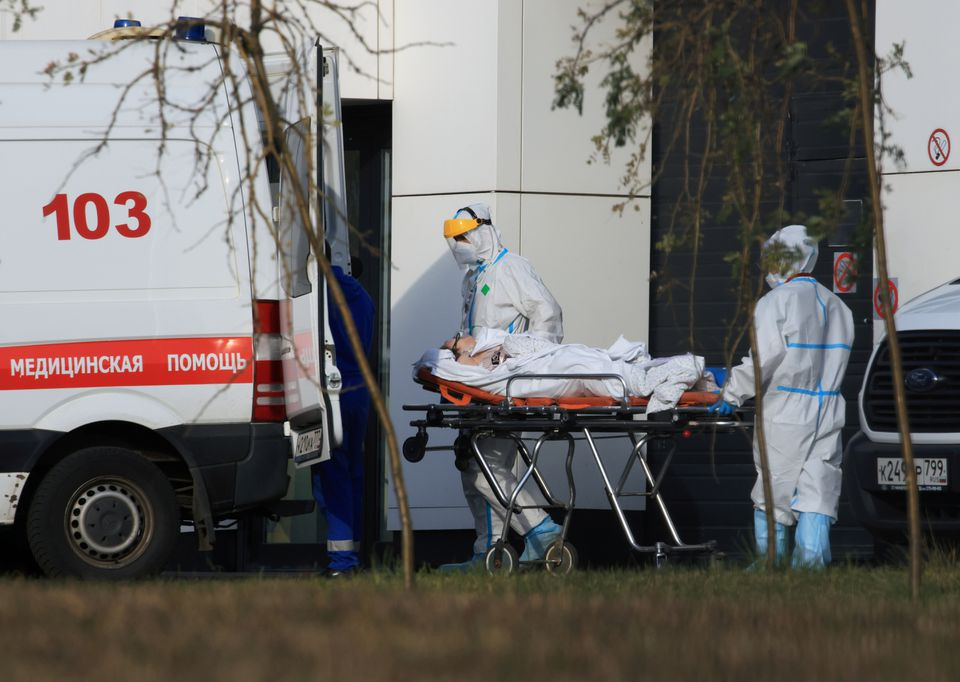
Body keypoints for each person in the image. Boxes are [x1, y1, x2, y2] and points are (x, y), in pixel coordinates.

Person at [709, 224, 854, 568]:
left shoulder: (775, 302)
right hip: (828, 408)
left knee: (774, 488)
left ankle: (768, 563)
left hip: (785, 409)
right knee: (818, 485)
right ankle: (811, 566)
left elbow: (764, 360)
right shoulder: (837, 306)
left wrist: (731, 392)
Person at [441, 203, 565, 570]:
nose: (458, 245)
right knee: (472, 469)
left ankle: (543, 532)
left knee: (486, 467)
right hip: (480, 385)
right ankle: (490, 553)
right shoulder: (473, 278)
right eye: (454, 239)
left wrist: (522, 360)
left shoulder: (511, 268)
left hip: (504, 384)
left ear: (483, 231)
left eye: (463, 237)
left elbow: (549, 316)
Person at [313, 264, 375, 577]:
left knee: (332, 477)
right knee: (352, 474)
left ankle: (342, 564)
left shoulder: (315, 293)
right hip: (359, 389)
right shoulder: (361, 295)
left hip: (331, 390)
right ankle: (354, 555)